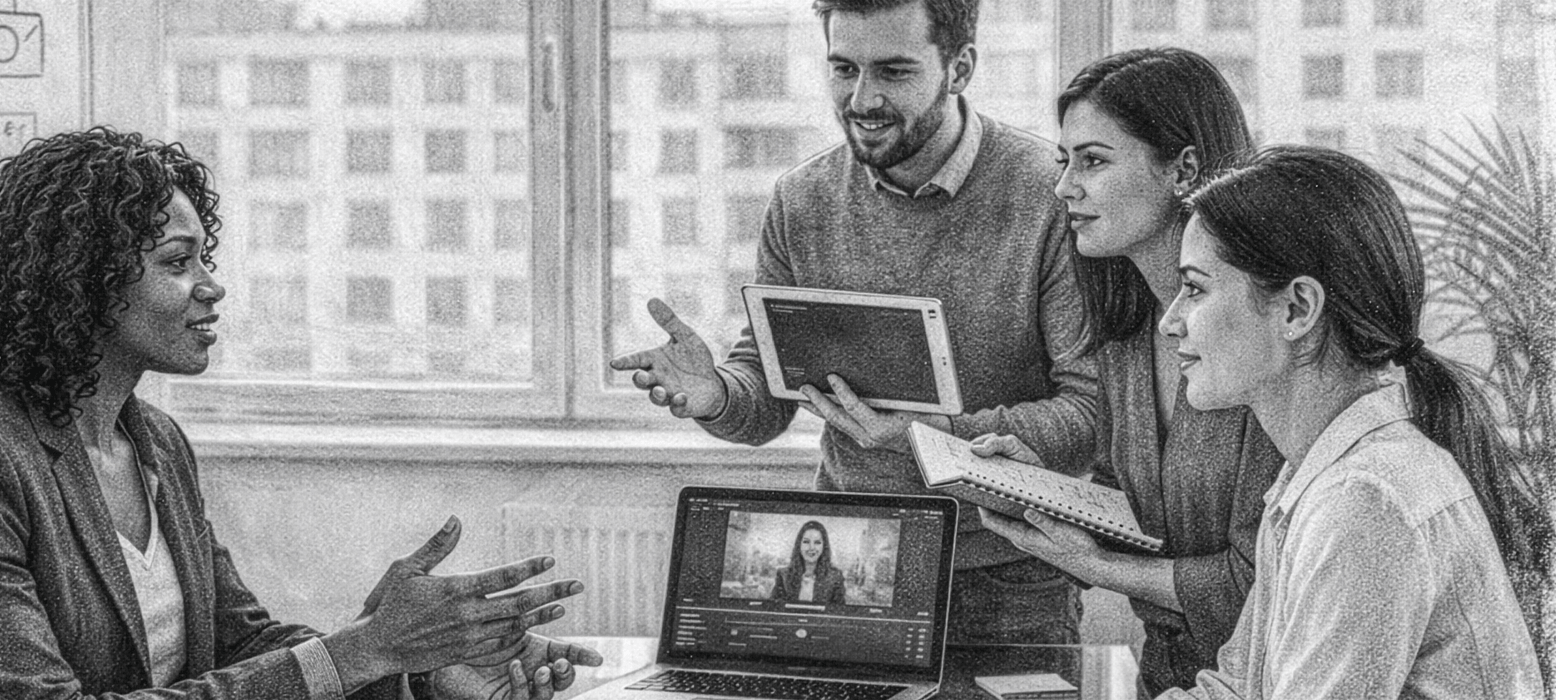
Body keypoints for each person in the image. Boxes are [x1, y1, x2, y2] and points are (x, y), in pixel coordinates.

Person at [0, 127, 602, 700]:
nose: (212, 288)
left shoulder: (152, 442)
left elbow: (240, 643)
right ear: (80, 283)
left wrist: (421, 665)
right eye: (178, 263)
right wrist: (365, 648)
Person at [608, 0, 1098, 644]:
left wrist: (931, 436)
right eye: (843, 69)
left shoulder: (1049, 194)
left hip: (1009, 571)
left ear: (960, 68)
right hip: (855, 561)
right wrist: (718, 393)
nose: (861, 98)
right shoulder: (801, 199)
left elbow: (1089, 415)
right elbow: (771, 396)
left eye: (893, 72)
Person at [1147, 145, 1544, 698]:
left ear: (1296, 309)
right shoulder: (1315, 479)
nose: (1171, 322)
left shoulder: (1366, 501)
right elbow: (1237, 689)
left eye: (1194, 288)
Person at [972, 48, 1281, 696]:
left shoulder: (1260, 338)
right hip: (1165, 679)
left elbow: (1260, 586)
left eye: (1093, 160)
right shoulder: (1126, 333)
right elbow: (1131, 514)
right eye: (1064, 162)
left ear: (1184, 169)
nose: (1064, 188)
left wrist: (1095, 566)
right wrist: (1038, 487)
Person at [771, 521, 846, 604]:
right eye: (806, 542)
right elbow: (773, 610)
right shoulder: (783, 575)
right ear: (799, 545)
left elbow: (840, 613)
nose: (811, 547)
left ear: (824, 547)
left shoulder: (835, 578)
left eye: (817, 542)